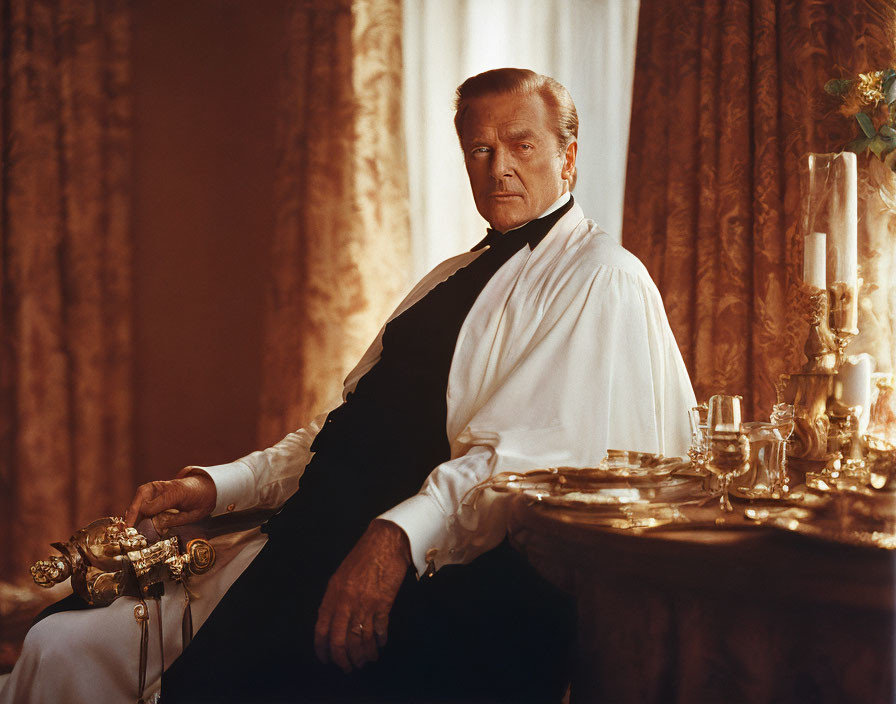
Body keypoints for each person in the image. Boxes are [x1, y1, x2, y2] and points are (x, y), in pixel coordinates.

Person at [1, 68, 696, 703]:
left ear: (568, 155)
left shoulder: (602, 275)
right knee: (60, 643)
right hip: (306, 539)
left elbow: (518, 461)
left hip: (437, 577)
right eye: (480, 150)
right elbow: (344, 431)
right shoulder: (448, 276)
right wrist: (215, 487)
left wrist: (394, 540)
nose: (499, 168)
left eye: (522, 145)